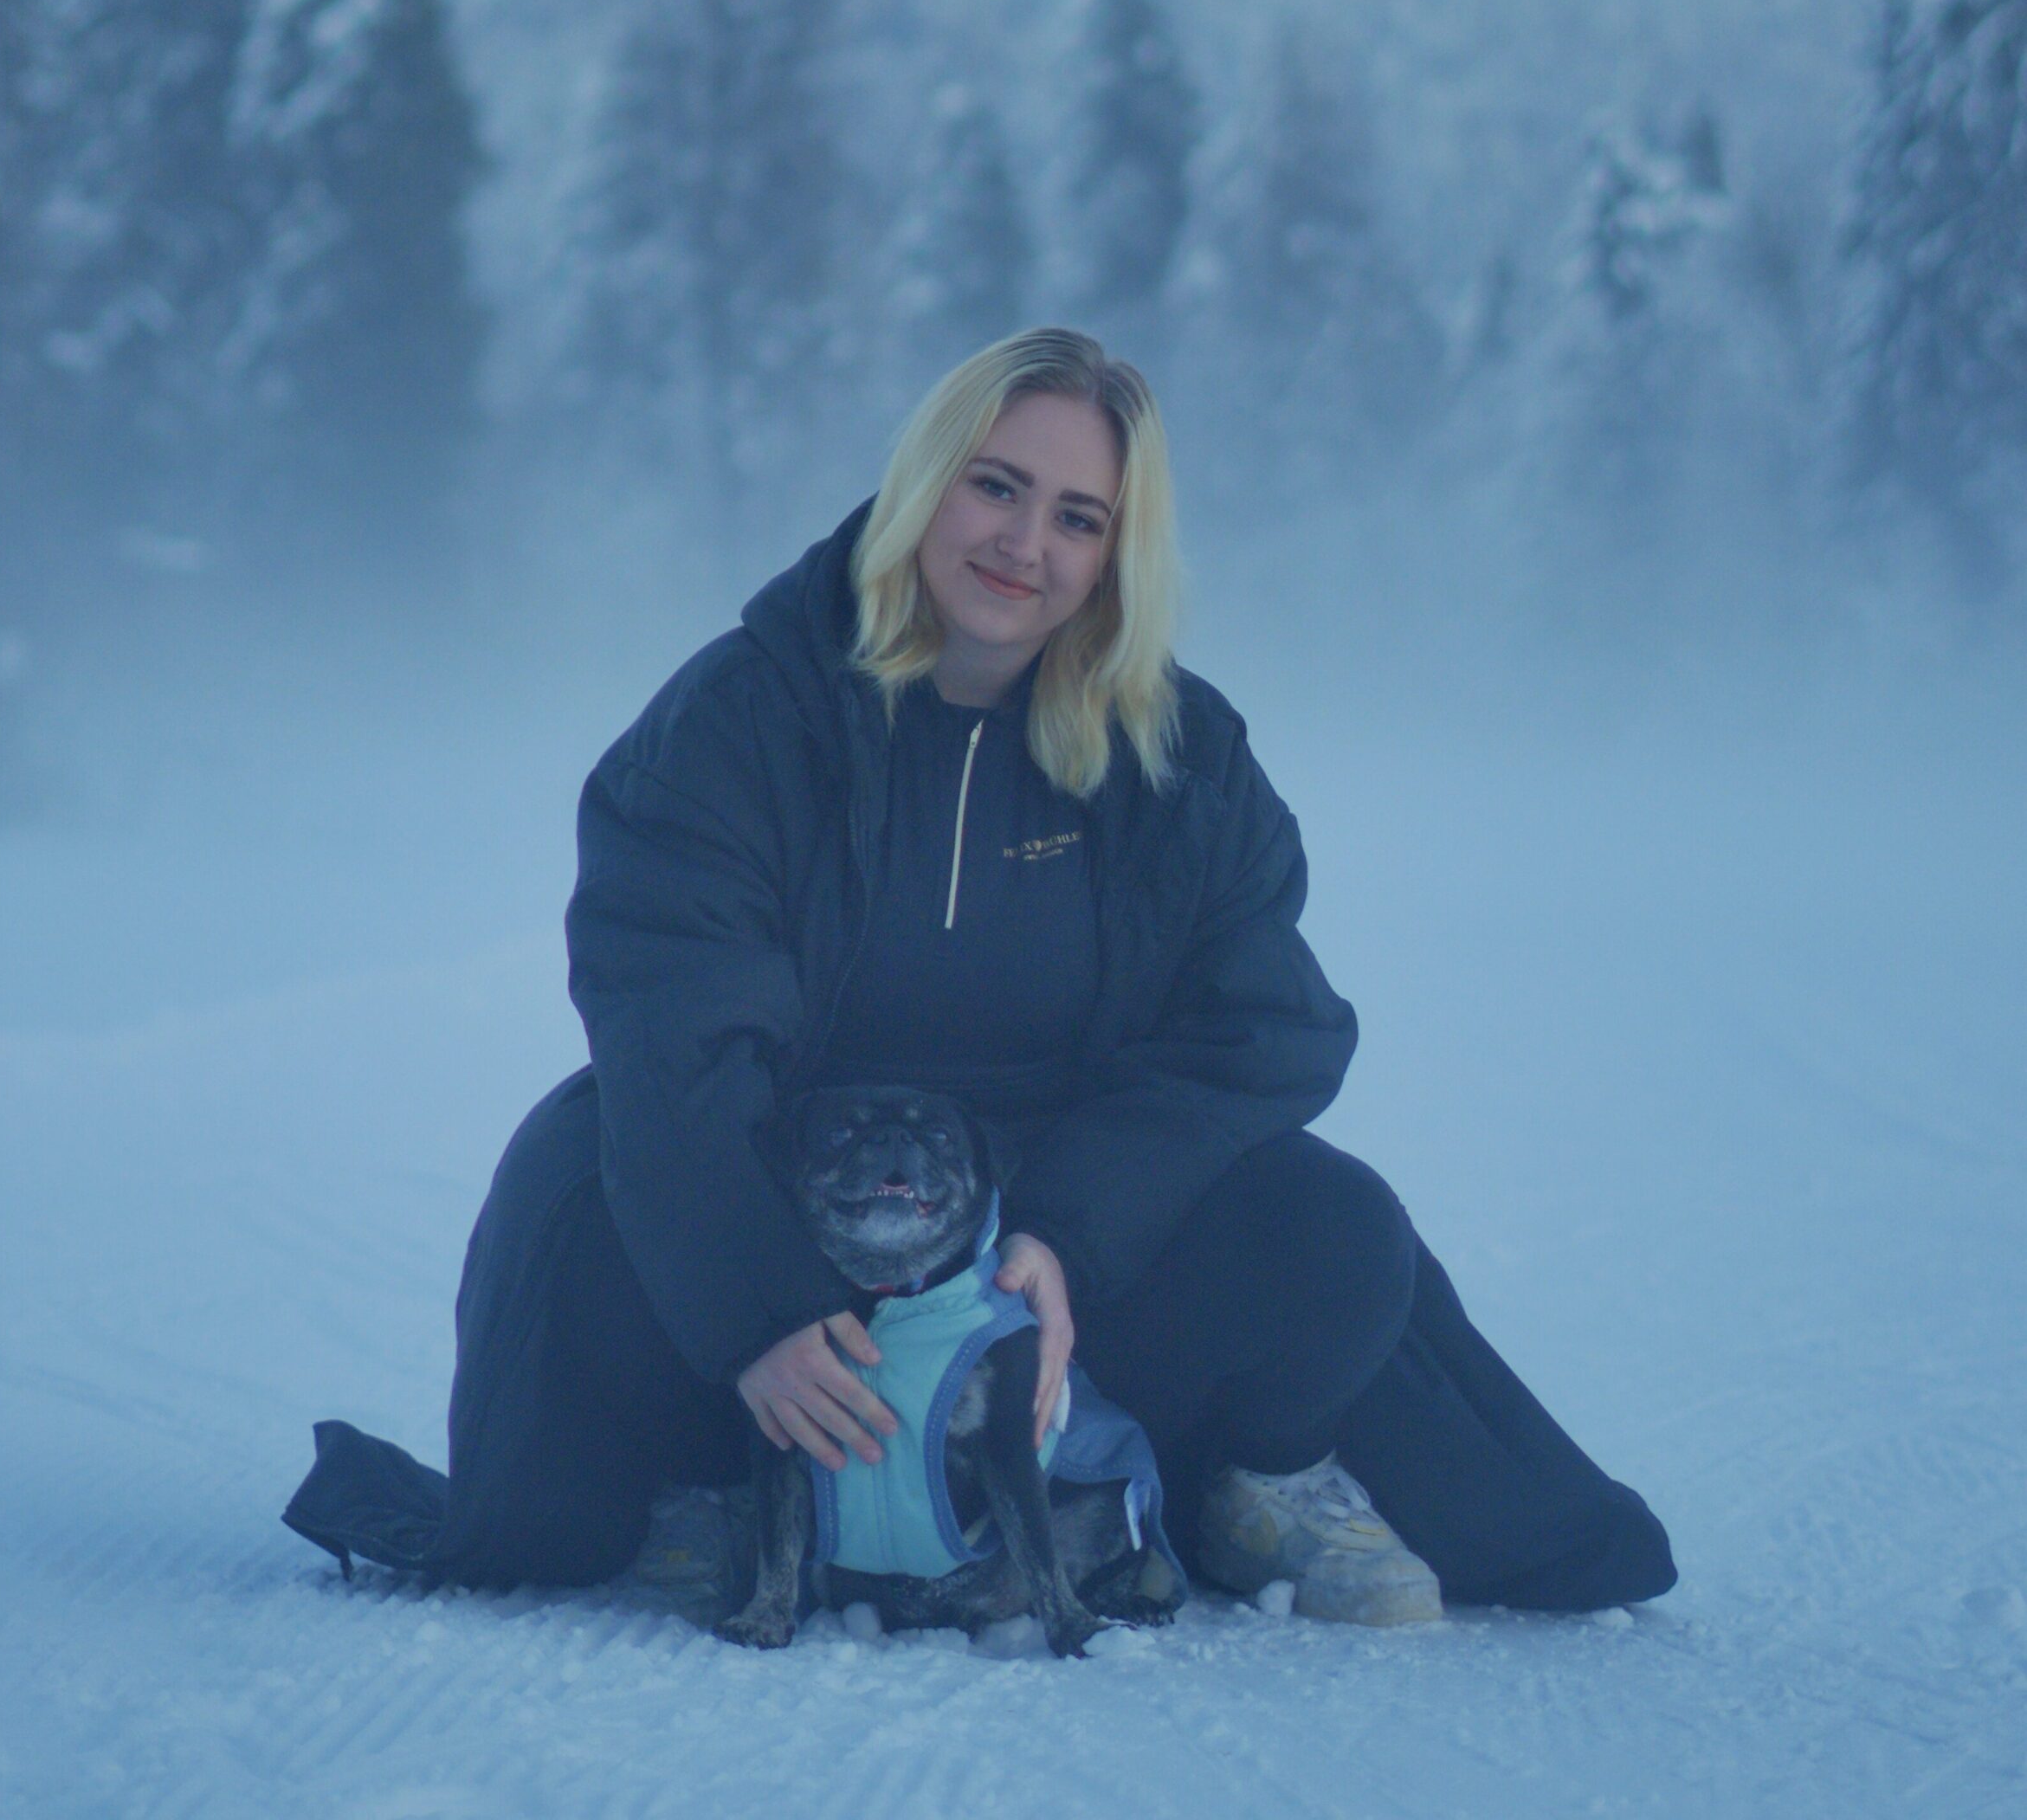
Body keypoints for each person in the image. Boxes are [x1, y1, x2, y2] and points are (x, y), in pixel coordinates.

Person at [284, 326, 1675, 1624]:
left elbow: (1264, 1032)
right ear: (922, 482)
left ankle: (1233, 1491)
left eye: (1077, 518)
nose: (1023, 544)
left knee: (1334, 1230)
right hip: (782, 1175)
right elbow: (670, 1026)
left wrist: (1067, 1234)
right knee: (586, 1191)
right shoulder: (737, 719)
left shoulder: (1180, 755)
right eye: (994, 487)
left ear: (1118, 556)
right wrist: (756, 1308)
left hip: (1051, 1225)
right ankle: (708, 1484)